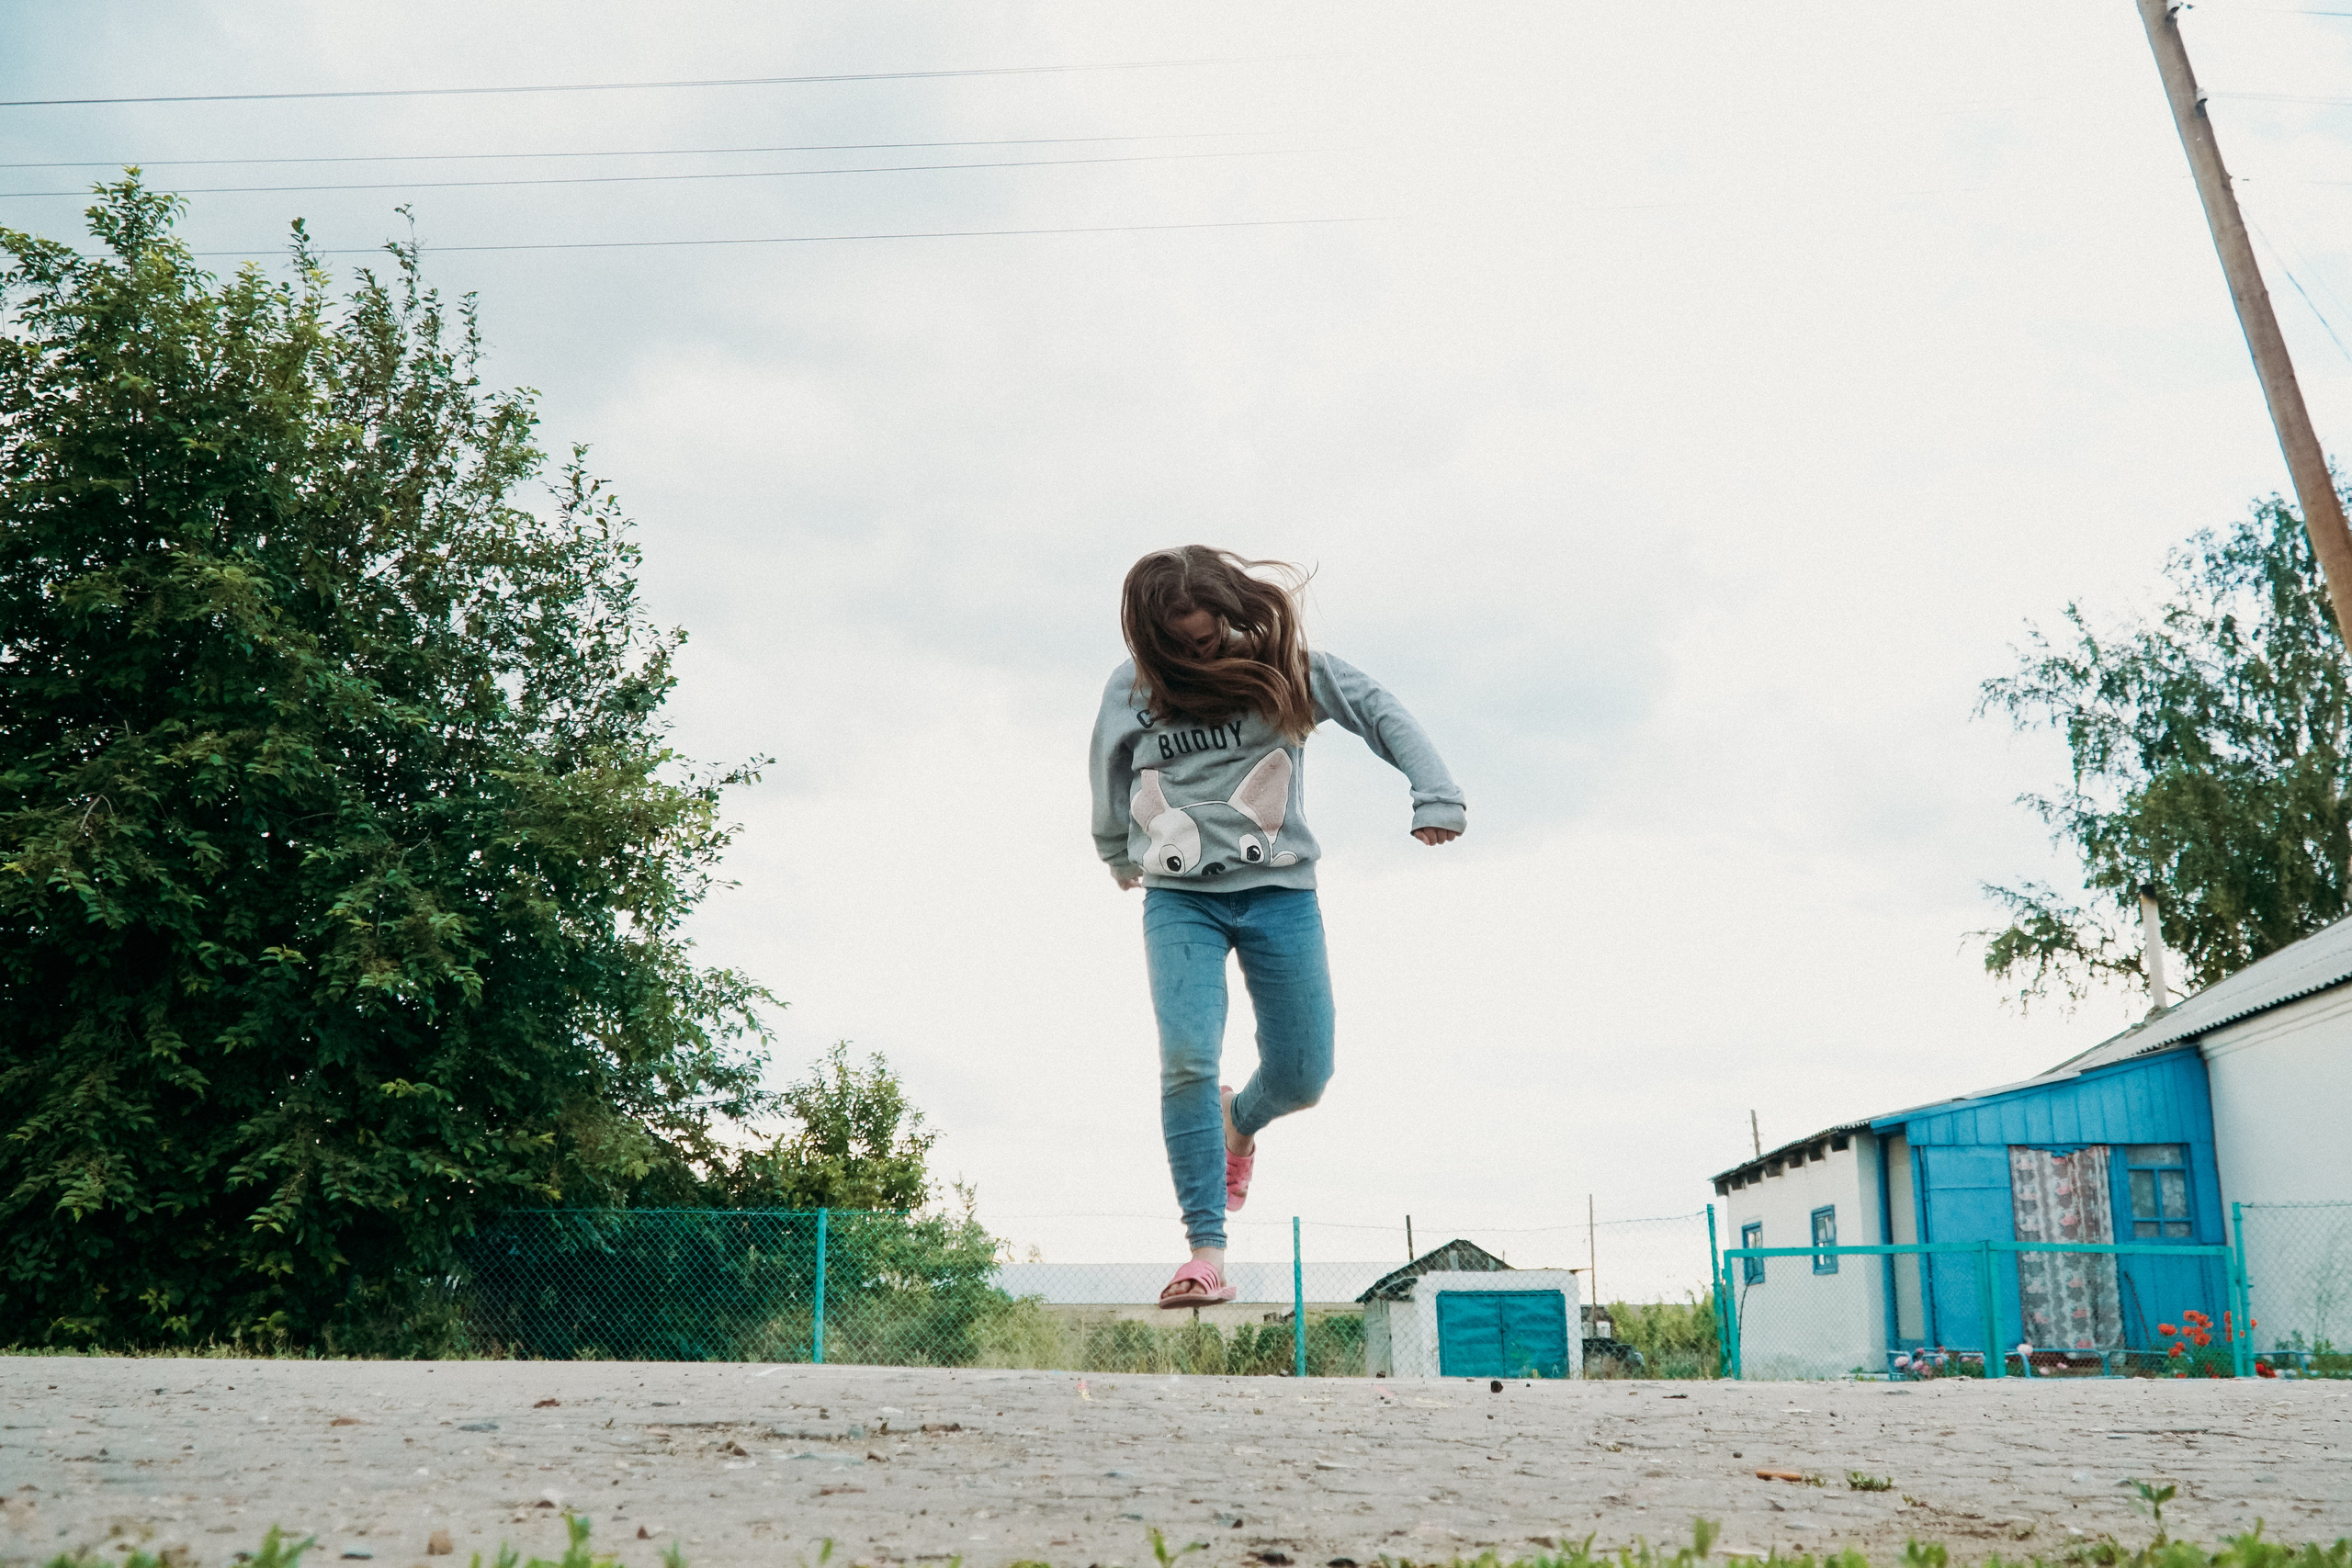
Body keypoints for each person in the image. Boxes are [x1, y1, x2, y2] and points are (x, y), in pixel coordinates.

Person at [1088, 547, 1466, 1308]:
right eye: (1181, 645)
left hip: (1280, 894)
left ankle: (1241, 1121)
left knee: (1304, 1074)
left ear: (1230, 615)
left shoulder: (1282, 665)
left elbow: (1379, 708)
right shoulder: (1134, 688)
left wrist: (1436, 795)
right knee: (1187, 1058)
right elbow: (1108, 767)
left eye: (1207, 637)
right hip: (1179, 898)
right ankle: (1204, 1251)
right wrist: (1114, 849)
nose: (1198, 654)